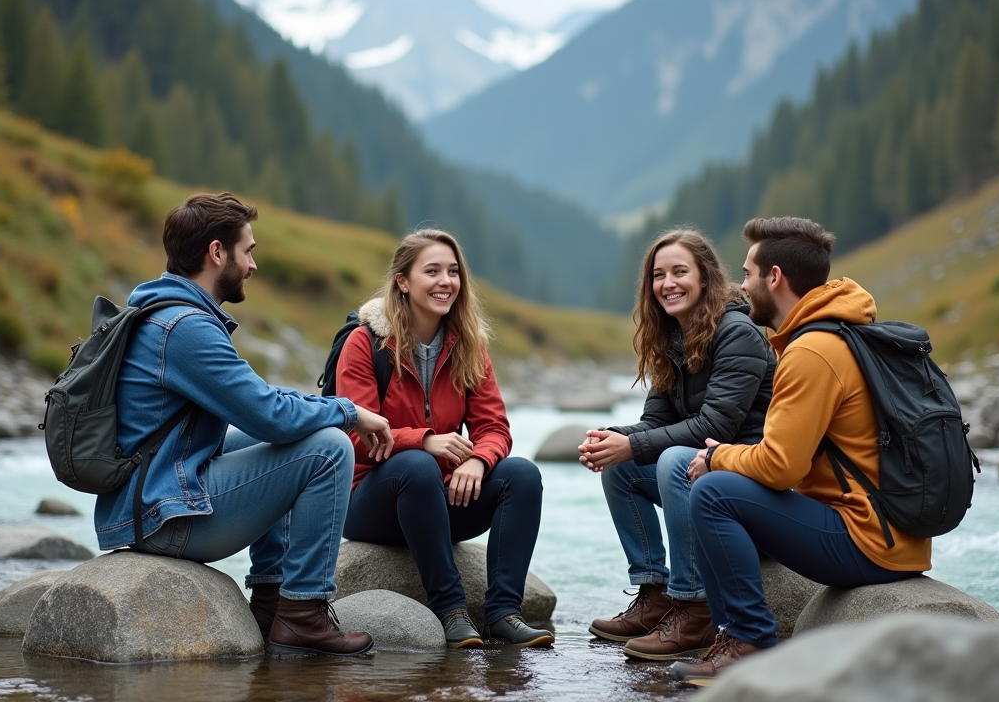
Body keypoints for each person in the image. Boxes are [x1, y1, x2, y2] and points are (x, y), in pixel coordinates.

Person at [95, 192, 395, 658]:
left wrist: (328, 406)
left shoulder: (162, 311)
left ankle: (273, 600)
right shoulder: (184, 329)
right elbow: (270, 415)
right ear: (217, 253)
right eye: (248, 251)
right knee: (330, 448)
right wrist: (350, 411)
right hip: (162, 518)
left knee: (295, 432)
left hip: (146, 499)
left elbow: (265, 406)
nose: (253, 265)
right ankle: (303, 614)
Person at [669, 217, 930, 686]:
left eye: (747, 274)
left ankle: (749, 642)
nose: (741, 286)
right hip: (892, 533)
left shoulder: (813, 352)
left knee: (711, 491)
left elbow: (781, 467)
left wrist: (717, 456)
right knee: (719, 487)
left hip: (866, 540)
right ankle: (726, 633)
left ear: (775, 278)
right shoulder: (839, 332)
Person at [336, 228, 552, 649]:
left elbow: (494, 428)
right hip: (369, 499)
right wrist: (424, 440)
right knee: (416, 467)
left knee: (522, 475)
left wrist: (479, 461)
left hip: (439, 498)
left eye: (453, 272)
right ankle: (451, 610)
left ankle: (503, 613)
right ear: (403, 281)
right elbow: (355, 435)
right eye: (431, 271)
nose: (445, 281)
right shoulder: (365, 344)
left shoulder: (469, 345)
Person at [579, 228, 776, 661]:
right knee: (621, 466)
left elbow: (716, 426)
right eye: (658, 275)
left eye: (680, 272)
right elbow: (655, 423)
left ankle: (695, 606)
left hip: (752, 487)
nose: (667, 283)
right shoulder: (674, 338)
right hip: (705, 477)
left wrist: (632, 445)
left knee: (672, 460)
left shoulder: (737, 333)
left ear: (705, 277)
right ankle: (655, 595)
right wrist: (611, 441)